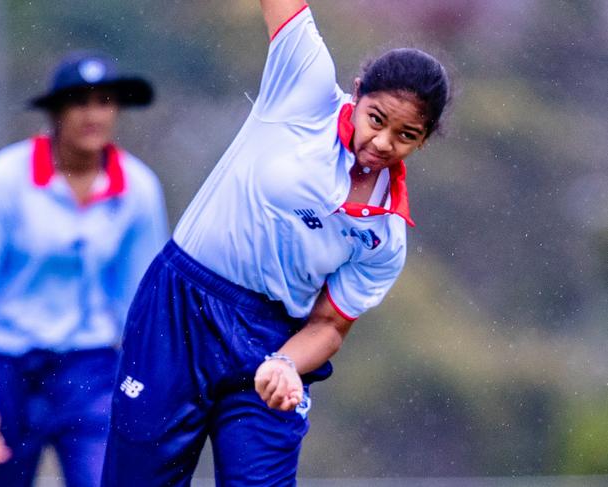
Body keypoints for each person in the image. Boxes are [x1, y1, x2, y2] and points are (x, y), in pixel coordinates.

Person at [102, 1, 451, 485]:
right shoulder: (304, 88)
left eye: (406, 135)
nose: (383, 141)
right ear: (357, 94)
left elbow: (329, 325)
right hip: (181, 306)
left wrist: (287, 364)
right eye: (377, 119)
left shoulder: (386, 237)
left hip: (271, 343)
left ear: (424, 140)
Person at [0, 51, 169, 487]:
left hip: (88, 370)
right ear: (56, 111)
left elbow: (142, 307)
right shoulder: (3, 181)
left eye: (105, 101)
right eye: (80, 102)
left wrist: (151, 397)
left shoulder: (139, 190)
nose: (93, 115)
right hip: (6, 367)